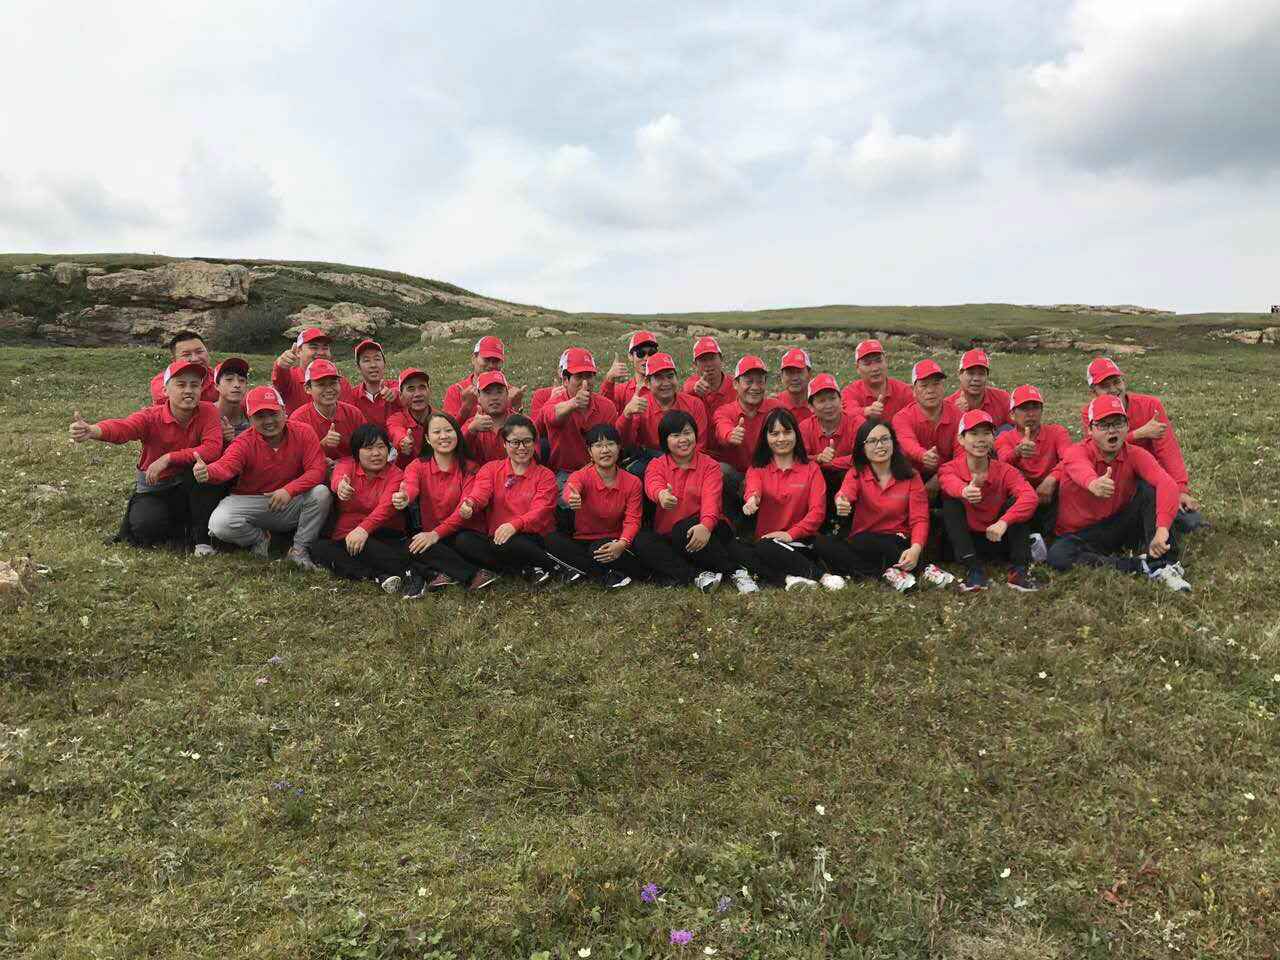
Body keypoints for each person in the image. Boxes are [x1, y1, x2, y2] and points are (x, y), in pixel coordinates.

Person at [72, 359, 225, 554]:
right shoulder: (151, 416)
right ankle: (179, 529)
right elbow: (124, 428)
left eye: (194, 385)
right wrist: (93, 430)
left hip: (190, 484)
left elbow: (212, 449)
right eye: (181, 385)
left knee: (205, 476)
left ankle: (200, 536)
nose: (189, 390)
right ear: (165, 390)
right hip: (156, 487)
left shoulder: (209, 411)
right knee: (146, 527)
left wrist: (168, 458)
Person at [1048, 394, 1190, 591]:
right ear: (1090, 430)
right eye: (1103, 425)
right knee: (1058, 555)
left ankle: (1165, 564)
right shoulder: (1076, 451)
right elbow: (1078, 467)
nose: (1112, 430)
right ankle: (1138, 565)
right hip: (1080, 534)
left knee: (1149, 490)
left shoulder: (1136, 454)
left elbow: (1167, 484)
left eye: (1118, 423)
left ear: (1127, 425)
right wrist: (1093, 483)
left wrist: (1162, 528)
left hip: (1117, 524)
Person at [197, 385, 332, 570]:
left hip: (291, 499)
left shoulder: (303, 432)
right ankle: (260, 539)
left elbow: (317, 470)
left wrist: (289, 490)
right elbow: (226, 466)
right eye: (260, 416)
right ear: (250, 418)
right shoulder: (244, 441)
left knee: (321, 493)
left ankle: (299, 550)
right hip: (252, 501)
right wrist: (208, 471)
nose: (268, 421)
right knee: (219, 523)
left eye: (273, 413)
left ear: (284, 411)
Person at [631, 410, 760, 593]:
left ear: (695, 434)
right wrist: (661, 495)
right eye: (675, 435)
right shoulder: (656, 464)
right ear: (665, 440)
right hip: (671, 534)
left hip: (709, 528)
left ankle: (735, 571)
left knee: (683, 529)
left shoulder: (710, 465)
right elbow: (653, 484)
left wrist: (706, 526)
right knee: (642, 541)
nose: (683, 439)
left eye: (687, 433)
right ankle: (697, 575)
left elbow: (711, 500)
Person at [817, 419, 942, 591]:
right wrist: (841, 502)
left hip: (898, 541)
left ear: (893, 442)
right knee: (824, 544)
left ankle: (909, 568)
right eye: (872, 441)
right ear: (862, 447)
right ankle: (889, 574)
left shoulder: (911, 476)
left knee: (866, 542)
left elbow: (919, 518)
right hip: (863, 543)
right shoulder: (856, 473)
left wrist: (915, 549)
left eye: (885, 439)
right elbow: (845, 494)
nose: (880, 445)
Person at [1080, 357, 1202, 531]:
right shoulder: (1090, 413)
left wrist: (1181, 490)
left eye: (1117, 382)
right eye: (1105, 386)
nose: (1114, 389)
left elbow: (1168, 450)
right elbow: (1099, 448)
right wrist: (1140, 433)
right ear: (1093, 391)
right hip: (1115, 479)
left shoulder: (1151, 405)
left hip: (1150, 475)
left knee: (1190, 521)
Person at [447, 415, 571, 585]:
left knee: (508, 543)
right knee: (464, 540)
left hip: (532, 536)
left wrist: (515, 525)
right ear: (504, 444)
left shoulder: (545, 475)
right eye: (515, 442)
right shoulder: (491, 469)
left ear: (534, 443)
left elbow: (540, 510)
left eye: (527, 441)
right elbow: (480, 493)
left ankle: (552, 567)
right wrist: (470, 504)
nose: (522, 447)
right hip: (499, 536)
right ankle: (525, 569)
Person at [740, 408, 843, 590]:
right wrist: (752, 500)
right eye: (774, 434)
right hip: (768, 544)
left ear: (796, 434)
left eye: (787, 432)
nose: (781, 439)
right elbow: (753, 489)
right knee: (748, 550)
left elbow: (817, 512)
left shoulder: (811, 469)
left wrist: (790, 534)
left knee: (764, 550)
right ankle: (791, 579)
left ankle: (823, 577)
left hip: (800, 542)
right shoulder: (757, 468)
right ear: (765, 437)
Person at [394, 411, 496, 593]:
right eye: (436, 432)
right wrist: (405, 497)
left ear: (457, 434)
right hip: (436, 536)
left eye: (448, 431)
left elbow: (463, 512)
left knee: (462, 542)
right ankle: (472, 574)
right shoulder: (417, 466)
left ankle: (450, 571)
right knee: (413, 545)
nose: (443, 436)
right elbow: (410, 486)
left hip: (466, 533)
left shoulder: (471, 468)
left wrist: (435, 534)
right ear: (427, 438)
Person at [938, 410, 1040, 592]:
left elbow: (1030, 497)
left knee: (1018, 505)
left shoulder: (1006, 470)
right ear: (961, 439)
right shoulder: (949, 468)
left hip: (998, 537)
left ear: (993, 438)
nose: (981, 439)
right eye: (973, 433)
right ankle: (973, 570)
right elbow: (948, 482)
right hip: (967, 542)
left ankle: (1019, 571)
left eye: (986, 433)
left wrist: (1004, 522)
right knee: (951, 502)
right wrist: (964, 491)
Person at [310, 424, 412, 593]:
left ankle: (400, 572)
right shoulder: (347, 465)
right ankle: (377, 576)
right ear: (356, 452)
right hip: (346, 537)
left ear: (388, 450)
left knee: (367, 548)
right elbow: (338, 478)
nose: (376, 453)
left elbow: (386, 508)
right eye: (368, 448)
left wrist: (363, 530)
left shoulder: (396, 475)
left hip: (383, 534)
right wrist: (340, 486)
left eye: (381, 447)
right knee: (319, 549)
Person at [544, 424, 647, 588]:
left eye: (610, 444)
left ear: (619, 447)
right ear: (590, 452)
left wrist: (622, 544)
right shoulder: (581, 475)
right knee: (551, 540)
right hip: (582, 541)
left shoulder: (632, 482)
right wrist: (572, 498)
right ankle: (605, 574)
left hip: (613, 540)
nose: (605, 450)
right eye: (598, 446)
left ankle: (585, 570)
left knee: (599, 549)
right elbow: (571, 488)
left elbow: (633, 520)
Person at [995, 384, 1071, 551]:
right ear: (1012, 414)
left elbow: (1070, 459)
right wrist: (1017, 452)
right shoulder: (1004, 438)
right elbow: (1001, 465)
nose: (1031, 414)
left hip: (1051, 496)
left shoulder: (1057, 432)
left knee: (1069, 485)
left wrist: (1051, 479)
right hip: (1021, 499)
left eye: (1035, 407)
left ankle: (1057, 538)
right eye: (1024, 408)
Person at [617, 352, 709, 478]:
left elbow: (700, 445)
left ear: (677, 378)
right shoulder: (641, 406)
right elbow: (625, 443)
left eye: (670, 376)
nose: (666, 383)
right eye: (659, 378)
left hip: (690, 460)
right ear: (647, 383)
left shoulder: (694, 404)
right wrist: (626, 415)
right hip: (652, 461)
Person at [712, 356, 779, 524]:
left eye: (760, 381)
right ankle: (731, 523)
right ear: (736, 384)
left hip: (769, 474)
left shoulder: (776, 409)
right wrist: (730, 435)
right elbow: (722, 427)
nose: (755, 387)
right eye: (749, 381)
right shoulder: (724, 411)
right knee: (720, 470)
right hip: (736, 477)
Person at [541, 348, 619, 475]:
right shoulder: (554, 402)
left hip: (600, 470)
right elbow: (552, 414)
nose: (585, 383)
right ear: (565, 380)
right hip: (565, 473)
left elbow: (615, 443)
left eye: (589, 376)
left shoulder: (607, 406)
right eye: (579, 377)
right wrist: (574, 403)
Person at [892, 359, 960, 497]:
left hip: (948, 475)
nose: (930, 390)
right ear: (913, 390)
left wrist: (941, 477)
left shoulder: (958, 416)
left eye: (936, 384)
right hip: (910, 475)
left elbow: (961, 455)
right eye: (924, 385)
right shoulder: (902, 417)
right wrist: (922, 455)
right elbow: (907, 442)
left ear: (943, 387)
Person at [799, 372, 864, 518]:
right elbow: (798, 459)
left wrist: (829, 463)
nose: (829, 405)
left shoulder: (857, 423)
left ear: (841, 400)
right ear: (811, 407)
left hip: (850, 484)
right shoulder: (805, 427)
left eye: (833, 398)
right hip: (817, 483)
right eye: (822, 401)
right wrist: (818, 458)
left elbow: (863, 457)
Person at [288, 359, 365, 463]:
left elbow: (368, 447)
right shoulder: (298, 420)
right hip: (315, 470)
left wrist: (343, 465)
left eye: (333, 383)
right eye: (321, 384)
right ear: (307, 388)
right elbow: (294, 461)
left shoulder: (353, 413)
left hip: (351, 468)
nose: (329, 389)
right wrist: (322, 446)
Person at [442, 336, 524, 421]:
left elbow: (520, 427)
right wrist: (466, 407)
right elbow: (447, 427)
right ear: (474, 359)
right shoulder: (456, 391)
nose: (491, 365)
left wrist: (517, 407)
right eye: (486, 359)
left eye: (496, 361)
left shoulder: (509, 392)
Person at [841, 339, 913, 422]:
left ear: (886, 361)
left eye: (878, 361)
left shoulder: (904, 391)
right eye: (867, 363)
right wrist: (866, 411)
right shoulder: (850, 392)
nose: (875, 368)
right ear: (857, 368)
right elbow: (847, 413)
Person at [682, 336, 738, 438]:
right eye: (703, 360)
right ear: (695, 364)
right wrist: (694, 388)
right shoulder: (692, 384)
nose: (708, 364)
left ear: (721, 359)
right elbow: (687, 387)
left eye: (712, 358)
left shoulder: (736, 386)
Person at [148, 330, 219, 405]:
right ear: (174, 360)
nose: (195, 359)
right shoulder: (162, 383)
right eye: (186, 355)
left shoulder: (219, 378)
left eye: (199, 352)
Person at [341, 339, 400, 427]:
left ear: (384, 364)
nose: (373, 365)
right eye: (366, 360)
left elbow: (405, 394)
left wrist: (396, 394)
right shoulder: (352, 398)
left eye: (377, 359)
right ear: (358, 367)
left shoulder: (397, 386)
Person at [272, 327, 333, 413]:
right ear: (298, 351)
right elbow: (279, 381)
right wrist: (280, 366)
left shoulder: (340, 381)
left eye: (325, 348)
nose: (321, 353)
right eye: (314, 347)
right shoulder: (290, 378)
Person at [947, 349, 1011, 429]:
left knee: (1007, 428)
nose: (976, 379)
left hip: (997, 437)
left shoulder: (1002, 398)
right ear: (960, 375)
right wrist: (957, 416)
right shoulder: (948, 406)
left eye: (981, 374)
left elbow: (1020, 428)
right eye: (971, 373)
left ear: (987, 376)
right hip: (962, 437)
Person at [461, 370, 514, 463]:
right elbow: (457, 455)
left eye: (499, 392)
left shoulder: (521, 422)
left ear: (507, 394)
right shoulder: (471, 425)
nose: (494, 397)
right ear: (478, 397)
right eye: (488, 392)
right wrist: (471, 431)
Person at [599, 331, 658, 411]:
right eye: (640, 353)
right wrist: (609, 379)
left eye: (652, 353)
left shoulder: (664, 388)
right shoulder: (621, 390)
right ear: (630, 356)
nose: (646, 358)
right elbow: (603, 410)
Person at [386, 368, 434, 460]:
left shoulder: (440, 418)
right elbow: (396, 431)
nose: (418, 394)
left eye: (422, 387)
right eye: (411, 389)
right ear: (401, 396)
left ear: (429, 391)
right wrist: (403, 441)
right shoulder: (396, 419)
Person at [213, 357, 252, 442]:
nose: (237, 385)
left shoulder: (253, 415)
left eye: (242, 380)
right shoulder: (206, 415)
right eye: (229, 379)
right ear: (216, 386)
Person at [772, 348, 814, 425]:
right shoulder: (774, 407)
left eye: (799, 372)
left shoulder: (820, 405)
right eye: (789, 372)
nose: (795, 378)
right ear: (781, 376)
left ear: (810, 374)